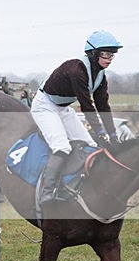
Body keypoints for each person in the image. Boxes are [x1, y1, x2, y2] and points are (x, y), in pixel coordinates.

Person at [31, 30, 123, 206]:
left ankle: (73, 187)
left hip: (63, 109)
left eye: (112, 54)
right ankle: (47, 193)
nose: (110, 58)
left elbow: (103, 107)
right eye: (106, 53)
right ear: (93, 53)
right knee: (62, 147)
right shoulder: (77, 69)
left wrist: (113, 135)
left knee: (90, 146)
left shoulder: (101, 76)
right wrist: (102, 133)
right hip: (44, 106)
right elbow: (87, 106)